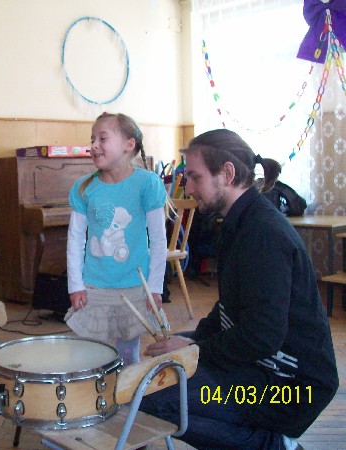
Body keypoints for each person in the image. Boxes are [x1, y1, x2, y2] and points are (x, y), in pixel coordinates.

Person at [139, 129, 338, 449]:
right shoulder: (238, 222)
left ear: (227, 174)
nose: (188, 188)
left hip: (289, 389)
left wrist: (196, 349)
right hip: (261, 364)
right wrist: (193, 339)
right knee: (156, 373)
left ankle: (273, 445)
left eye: (195, 177)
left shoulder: (263, 235)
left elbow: (262, 337)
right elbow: (229, 308)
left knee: (154, 401)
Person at [65, 112, 169, 365]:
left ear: (128, 144)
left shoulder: (147, 183)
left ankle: (129, 391)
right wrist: (75, 285)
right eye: (92, 140)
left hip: (134, 286)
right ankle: (98, 390)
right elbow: (75, 239)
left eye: (102, 139)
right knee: (91, 354)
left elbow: (158, 240)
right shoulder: (84, 187)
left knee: (128, 353)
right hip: (95, 287)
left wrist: (155, 287)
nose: (94, 145)